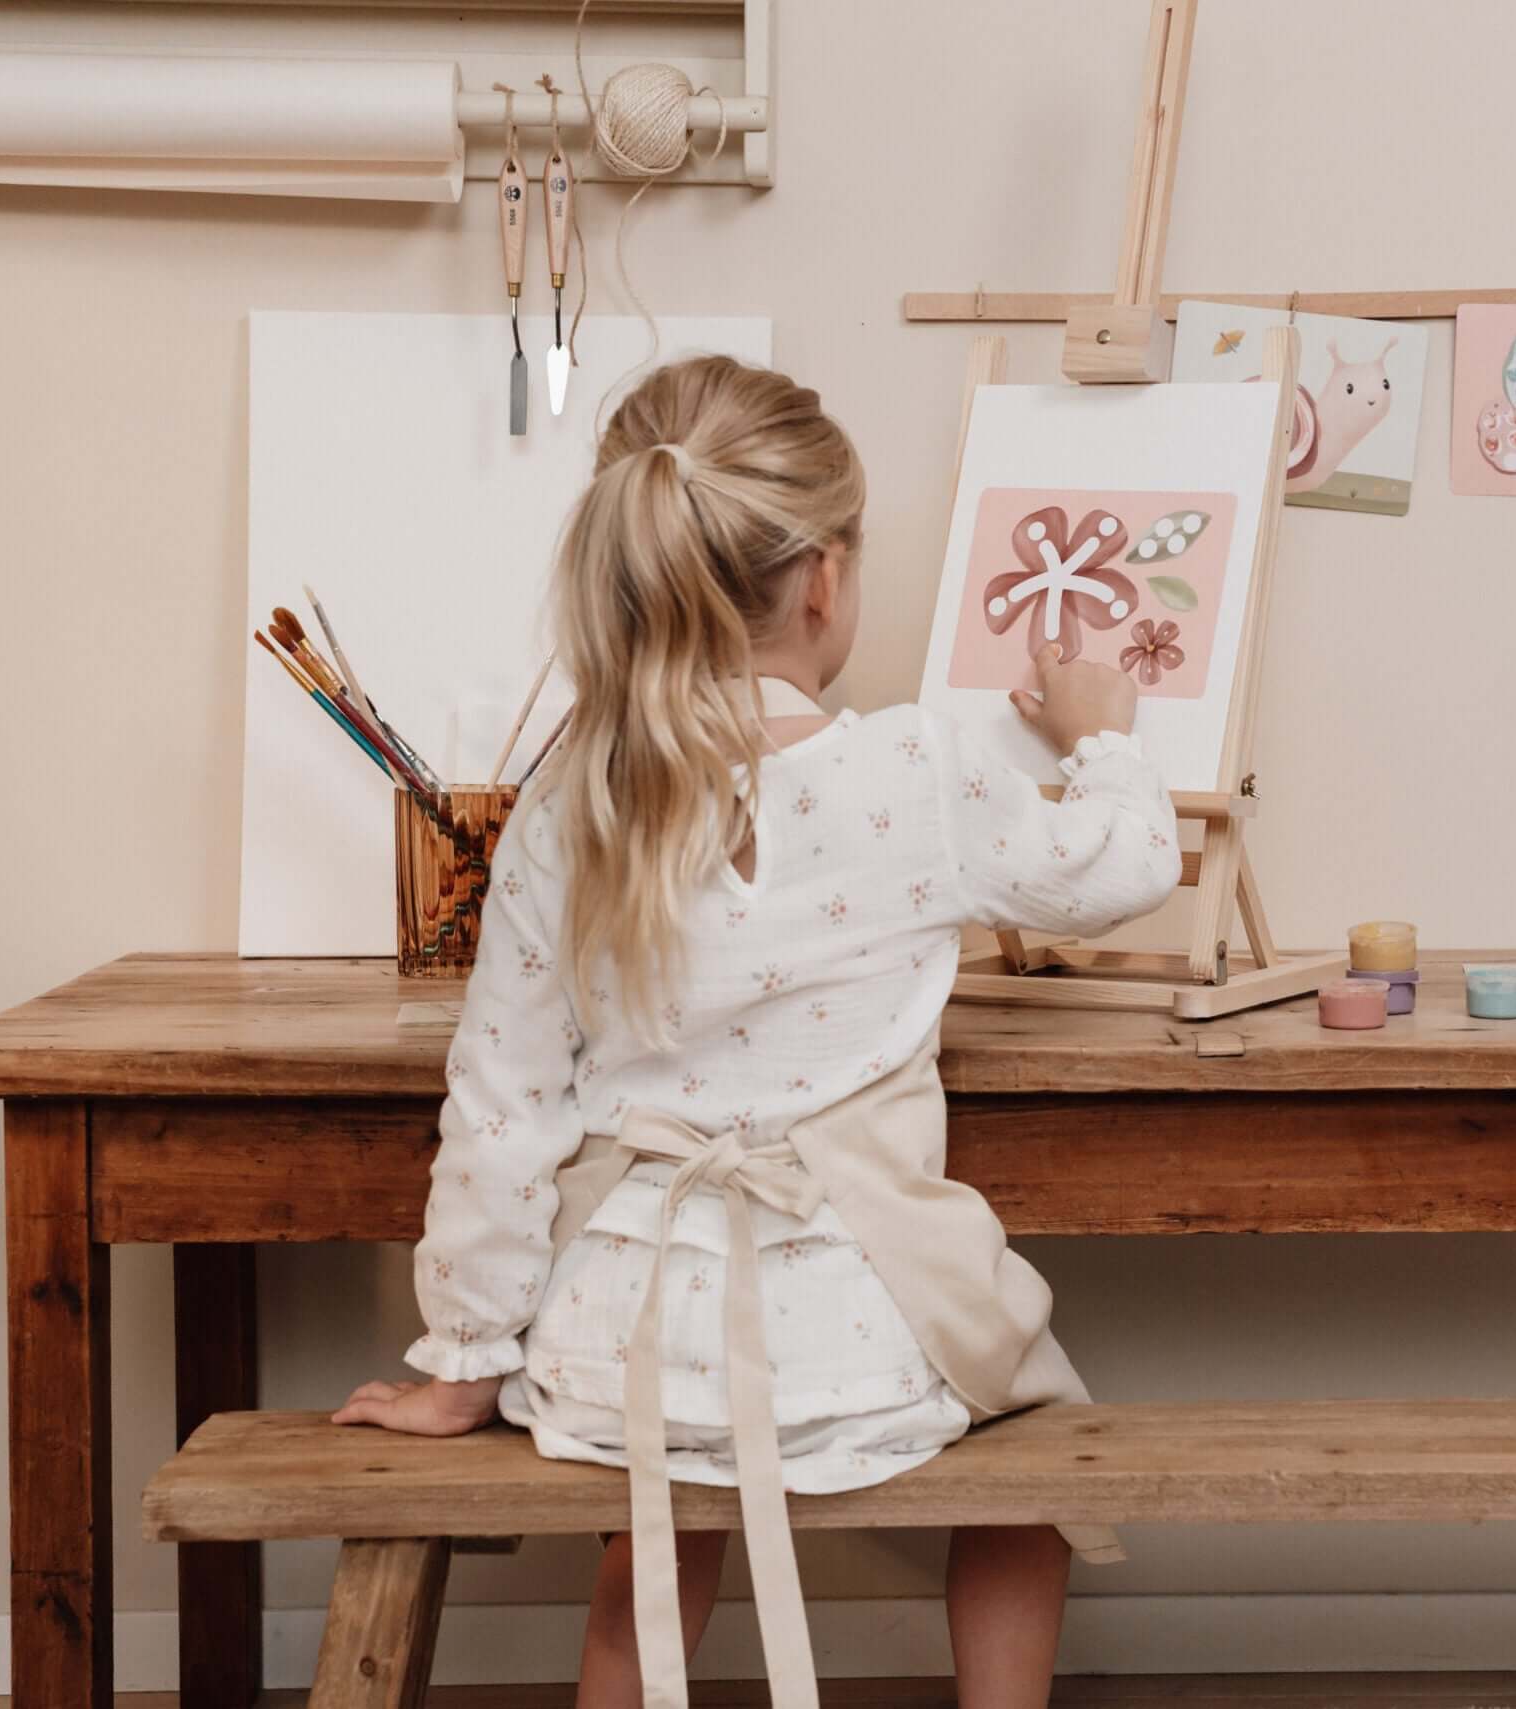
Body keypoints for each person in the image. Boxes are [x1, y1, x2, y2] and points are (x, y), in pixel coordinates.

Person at [332, 355, 1183, 1709]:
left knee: (655, 1531)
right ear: (825, 581)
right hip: (860, 1325)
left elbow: (499, 1101)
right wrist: (1101, 735)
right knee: (1035, 1456)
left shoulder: (572, 804)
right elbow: (1128, 861)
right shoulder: (924, 769)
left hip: (623, 1338)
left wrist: (465, 1358)